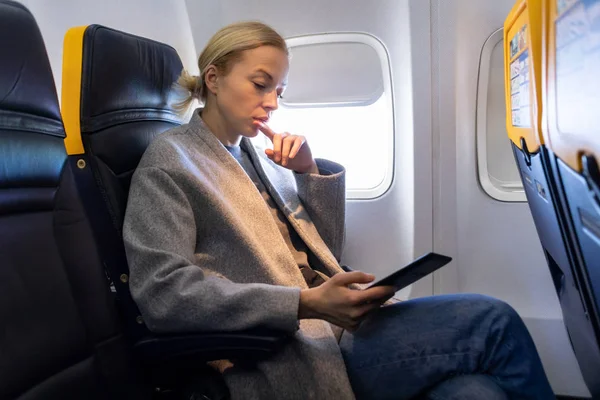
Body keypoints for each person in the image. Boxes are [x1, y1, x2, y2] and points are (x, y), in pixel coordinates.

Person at [122, 21, 555, 400]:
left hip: (334, 326)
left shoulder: (256, 156)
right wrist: (304, 303)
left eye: (280, 90)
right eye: (260, 83)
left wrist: (308, 170)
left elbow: (324, 249)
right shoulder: (171, 162)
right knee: (492, 320)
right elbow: (163, 293)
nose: (273, 102)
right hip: (286, 347)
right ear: (213, 79)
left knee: (474, 392)